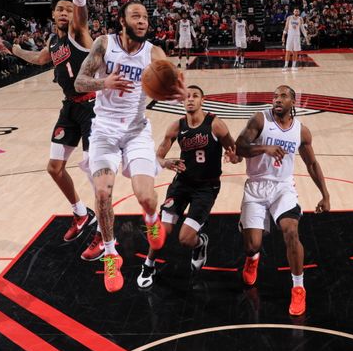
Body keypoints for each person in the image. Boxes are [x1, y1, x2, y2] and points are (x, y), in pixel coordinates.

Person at [75, 1, 187, 293]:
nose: (142, 21)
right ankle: (111, 253)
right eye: (136, 16)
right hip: (104, 131)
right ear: (121, 21)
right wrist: (105, 84)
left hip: (136, 131)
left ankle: (151, 219)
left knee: (147, 197)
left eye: (146, 17)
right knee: (101, 192)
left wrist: (180, 94)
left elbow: (171, 87)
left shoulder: (154, 53)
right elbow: (79, 82)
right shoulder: (103, 44)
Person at [0, 0, 98, 246]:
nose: (66, 11)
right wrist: (12, 49)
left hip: (93, 106)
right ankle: (81, 213)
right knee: (54, 168)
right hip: (70, 108)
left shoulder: (78, 33)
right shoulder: (53, 43)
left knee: (96, 172)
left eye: (70, 8)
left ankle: (103, 233)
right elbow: (39, 59)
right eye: (61, 8)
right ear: (53, 14)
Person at [235, 85, 331, 317]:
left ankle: (298, 287)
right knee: (252, 244)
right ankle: (253, 258)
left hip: (282, 187)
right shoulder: (260, 120)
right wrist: (265, 148)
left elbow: (312, 164)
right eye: (275, 96)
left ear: (293, 102)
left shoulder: (301, 131)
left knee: (291, 232)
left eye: (283, 96)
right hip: (256, 186)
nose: (277, 100)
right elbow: (240, 147)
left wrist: (325, 195)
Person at [136, 85, 240, 288]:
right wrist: (165, 162)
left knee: (185, 239)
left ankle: (200, 243)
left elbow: (236, 153)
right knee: (161, 231)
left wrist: (233, 156)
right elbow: (157, 157)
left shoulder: (215, 124)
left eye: (195, 96)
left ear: (203, 100)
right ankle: (148, 264)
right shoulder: (176, 126)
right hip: (181, 184)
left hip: (206, 189)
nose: (190, 99)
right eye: (187, 97)